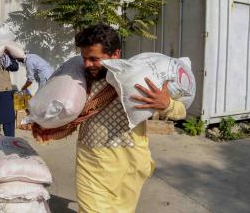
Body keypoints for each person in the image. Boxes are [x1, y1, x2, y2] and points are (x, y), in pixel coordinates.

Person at [74, 24, 187, 213]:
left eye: (94, 59)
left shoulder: (138, 78)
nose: (87, 64)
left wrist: (166, 104)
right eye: (84, 58)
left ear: (115, 54)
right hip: (90, 163)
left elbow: (181, 111)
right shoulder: (79, 79)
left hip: (129, 167)